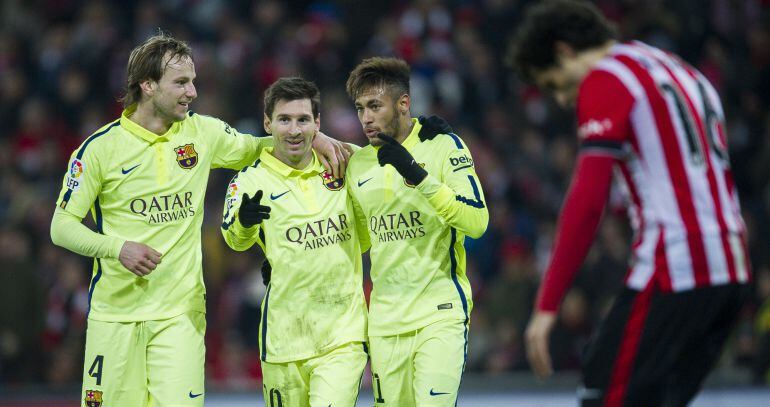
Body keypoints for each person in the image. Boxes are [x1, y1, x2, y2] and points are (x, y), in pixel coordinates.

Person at [49, 33, 350, 406]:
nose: (192, 92)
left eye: (193, 81)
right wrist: (118, 248)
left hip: (181, 314)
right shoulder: (99, 150)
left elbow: (255, 145)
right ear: (147, 85)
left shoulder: (201, 132)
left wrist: (312, 137)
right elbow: (61, 226)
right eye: (180, 83)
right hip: (115, 318)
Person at [508, 1, 752, 405]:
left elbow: (587, 202)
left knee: (602, 393)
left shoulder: (607, 79)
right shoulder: (681, 70)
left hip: (674, 268)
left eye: (554, 83)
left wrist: (547, 305)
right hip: (730, 272)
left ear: (564, 51)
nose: (563, 100)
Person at [344, 57, 489, 406]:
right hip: (384, 322)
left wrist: (419, 176)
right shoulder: (360, 164)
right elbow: (360, 240)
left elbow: (477, 222)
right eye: (361, 108)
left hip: (438, 313)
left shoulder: (443, 145)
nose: (366, 117)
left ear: (404, 104)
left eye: (375, 106)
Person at [220, 77, 369, 407]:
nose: (294, 130)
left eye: (303, 120)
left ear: (318, 124)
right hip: (283, 341)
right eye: (284, 119)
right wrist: (245, 221)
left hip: (342, 336)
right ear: (267, 123)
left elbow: (386, 168)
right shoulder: (249, 181)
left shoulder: (343, 163)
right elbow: (234, 240)